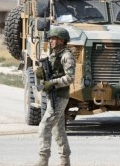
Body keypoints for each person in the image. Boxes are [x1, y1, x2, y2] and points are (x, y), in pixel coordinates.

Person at [34, 27, 76, 166]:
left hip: (60, 96)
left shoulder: (66, 56)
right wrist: (42, 74)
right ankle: (65, 161)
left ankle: (43, 160)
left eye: (53, 38)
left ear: (61, 40)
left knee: (44, 126)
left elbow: (70, 78)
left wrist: (52, 83)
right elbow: (52, 74)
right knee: (58, 131)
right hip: (54, 96)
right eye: (50, 38)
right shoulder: (54, 55)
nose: (51, 41)